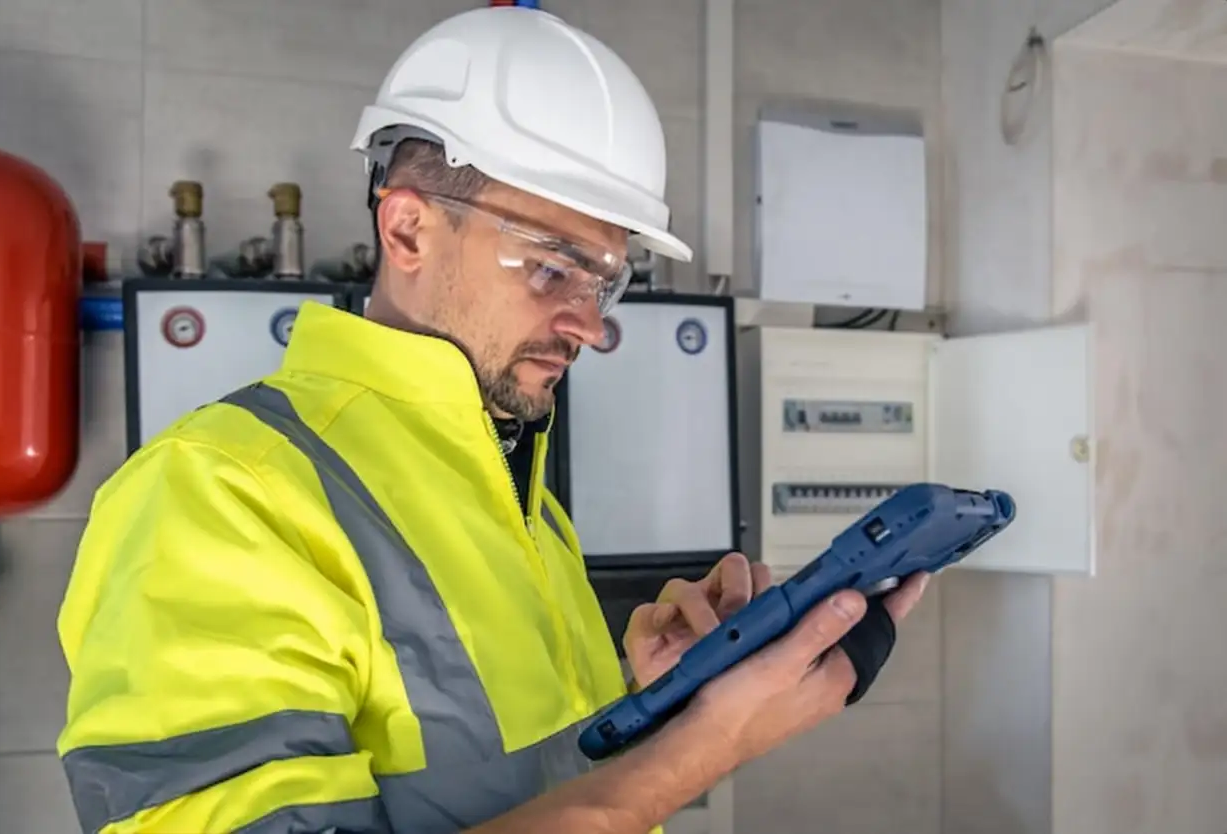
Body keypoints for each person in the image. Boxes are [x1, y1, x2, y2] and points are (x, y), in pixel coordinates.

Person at [55, 7, 928, 834]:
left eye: (606, 282)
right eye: (553, 269)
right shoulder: (218, 492)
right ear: (407, 232)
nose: (592, 324)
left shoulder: (520, 494)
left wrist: (653, 700)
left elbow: (495, 777)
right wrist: (707, 748)